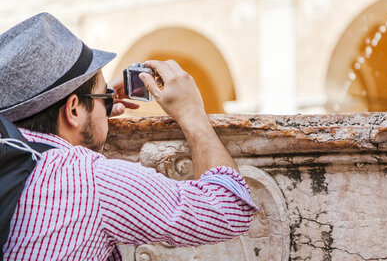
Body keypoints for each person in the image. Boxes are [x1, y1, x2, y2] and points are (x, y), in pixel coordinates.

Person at [0, 13, 257, 260]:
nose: (108, 104)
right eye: (103, 97)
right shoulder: (92, 181)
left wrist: (94, 109)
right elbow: (229, 209)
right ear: (73, 110)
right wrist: (192, 113)